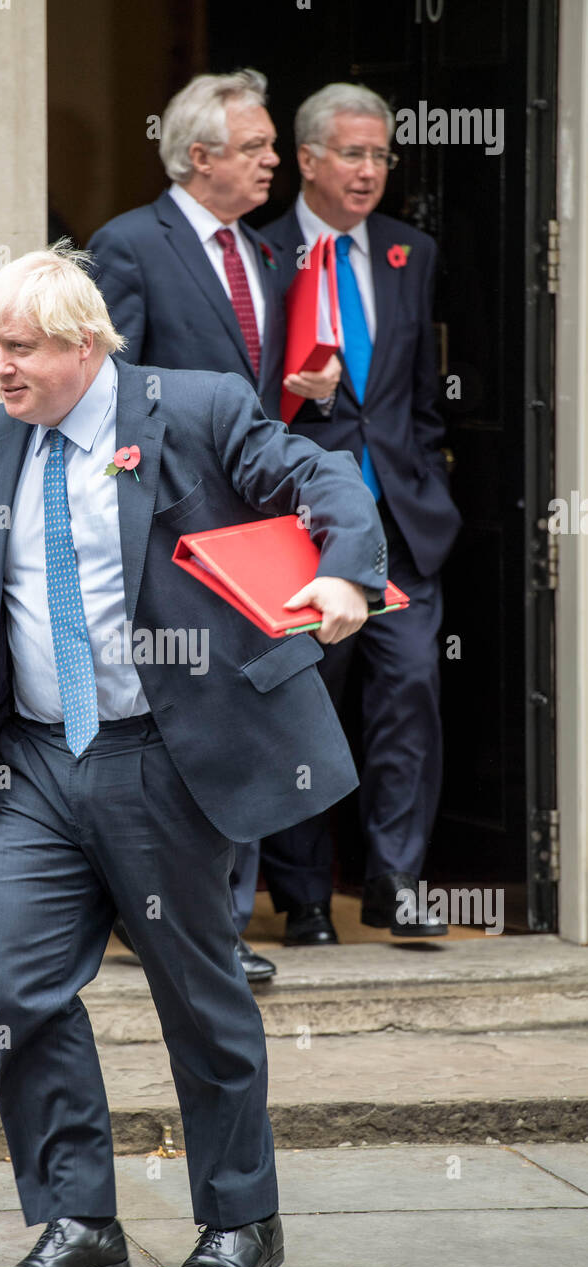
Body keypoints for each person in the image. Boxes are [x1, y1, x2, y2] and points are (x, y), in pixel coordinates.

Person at [0, 243, 387, 1267]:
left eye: (18, 349)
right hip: (37, 766)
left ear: (82, 343)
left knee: (197, 995)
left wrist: (341, 574)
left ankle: (241, 1218)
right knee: (18, 987)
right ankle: (73, 1217)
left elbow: (316, 473)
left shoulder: (189, 408)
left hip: (164, 755)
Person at [87, 68, 341, 980]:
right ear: (201, 157)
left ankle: (227, 921)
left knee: (250, 706)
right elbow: (106, 392)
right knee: (177, 718)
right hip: (167, 532)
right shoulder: (127, 246)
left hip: (258, 527)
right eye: (259, 148)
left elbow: (254, 404)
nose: (277, 162)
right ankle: (175, 917)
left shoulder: (270, 256)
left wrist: (304, 396)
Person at [258, 83, 462, 945]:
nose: (370, 170)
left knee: (408, 696)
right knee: (306, 706)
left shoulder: (410, 253)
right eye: (353, 153)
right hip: (302, 533)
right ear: (307, 160)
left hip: (404, 531)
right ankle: (304, 898)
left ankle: (396, 884)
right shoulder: (261, 256)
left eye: (381, 155)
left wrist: (434, 489)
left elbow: (419, 401)